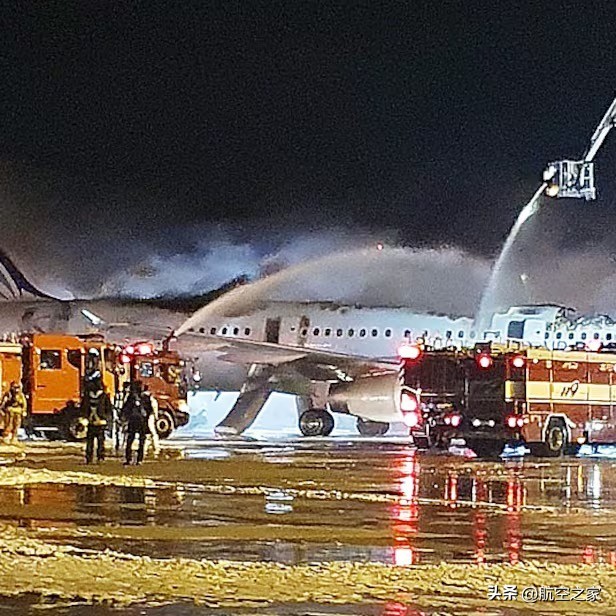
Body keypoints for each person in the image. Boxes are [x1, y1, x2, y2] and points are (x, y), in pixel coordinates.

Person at [82, 380, 112, 464]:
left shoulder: (87, 397)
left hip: (91, 421)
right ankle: (100, 457)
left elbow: (84, 408)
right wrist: (106, 419)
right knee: (100, 440)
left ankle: (89, 458)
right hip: (101, 421)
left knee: (90, 441)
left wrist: (86, 417)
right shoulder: (104, 396)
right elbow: (109, 409)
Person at [121, 381, 150, 465]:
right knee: (141, 441)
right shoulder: (145, 397)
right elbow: (149, 410)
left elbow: (125, 409)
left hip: (132, 421)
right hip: (142, 421)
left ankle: (128, 459)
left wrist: (124, 418)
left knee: (130, 440)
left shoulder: (131, 398)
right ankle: (139, 459)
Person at [142, 384, 160, 457]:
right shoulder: (151, 399)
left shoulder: (141, 397)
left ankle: (144, 449)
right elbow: (154, 408)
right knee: (153, 433)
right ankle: (156, 447)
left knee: (145, 433)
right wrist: (156, 416)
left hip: (143, 417)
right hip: (150, 416)